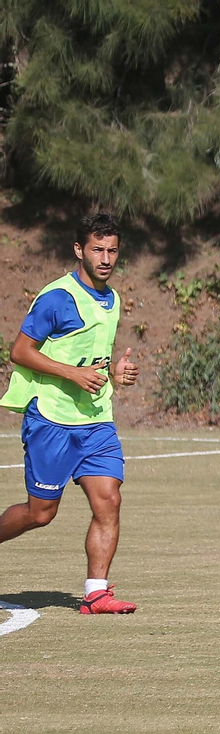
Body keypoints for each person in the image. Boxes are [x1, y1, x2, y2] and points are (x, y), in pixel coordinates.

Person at [0, 214, 141, 614]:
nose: (106, 258)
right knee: (40, 513)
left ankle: (96, 593)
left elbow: (94, 358)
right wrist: (71, 373)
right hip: (51, 420)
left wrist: (115, 372)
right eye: (97, 249)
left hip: (95, 422)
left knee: (109, 499)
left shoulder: (111, 300)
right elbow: (20, 351)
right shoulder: (57, 297)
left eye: (112, 250)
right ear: (79, 250)